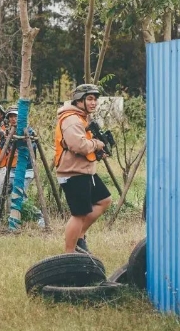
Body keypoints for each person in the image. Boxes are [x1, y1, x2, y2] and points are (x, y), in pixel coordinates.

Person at [54, 84, 112, 253]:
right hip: (73, 173)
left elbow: (85, 146)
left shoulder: (82, 118)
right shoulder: (71, 119)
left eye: (95, 99)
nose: (94, 103)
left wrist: (97, 152)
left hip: (84, 171)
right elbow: (78, 145)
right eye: (90, 99)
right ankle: (69, 254)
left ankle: (79, 237)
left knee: (104, 200)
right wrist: (97, 144)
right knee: (79, 214)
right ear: (79, 101)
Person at [0, 105, 45, 228]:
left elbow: (32, 147)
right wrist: (5, 137)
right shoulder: (9, 131)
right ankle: (5, 220)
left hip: (26, 170)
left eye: (15, 116)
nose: (13, 119)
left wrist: (18, 141)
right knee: (4, 195)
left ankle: (39, 215)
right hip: (11, 169)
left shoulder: (28, 131)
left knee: (18, 195)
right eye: (11, 116)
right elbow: (1, 146)